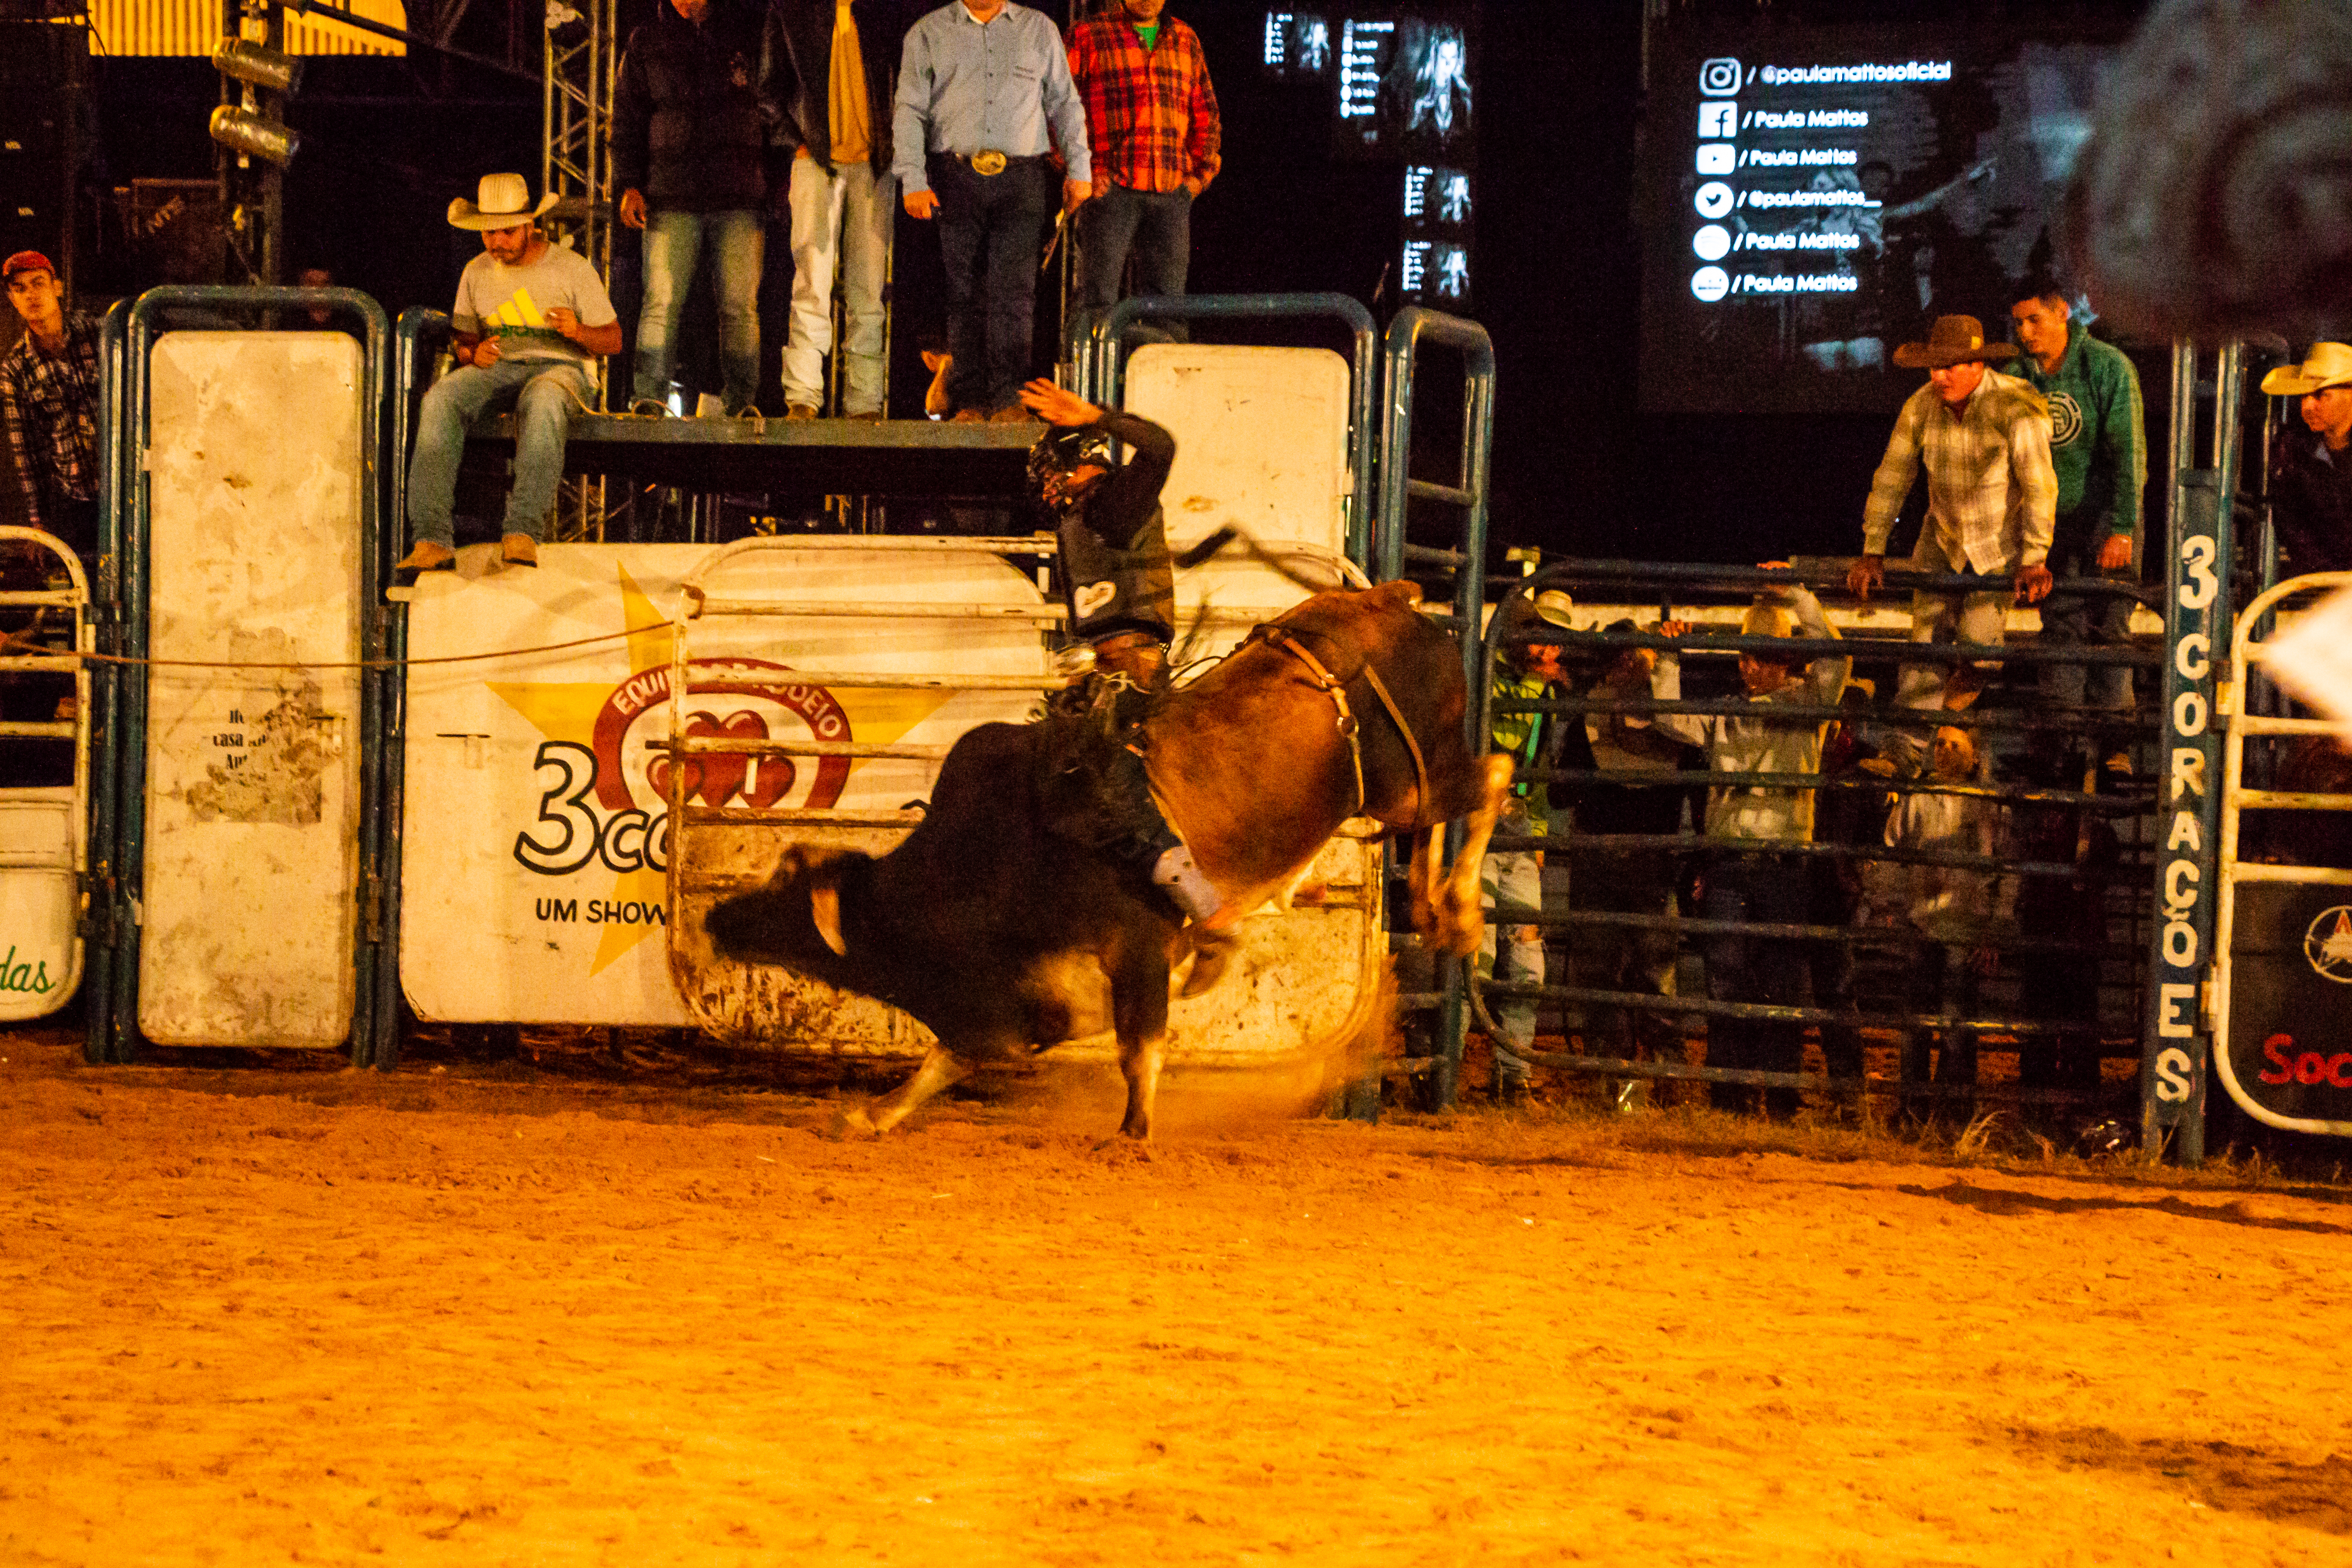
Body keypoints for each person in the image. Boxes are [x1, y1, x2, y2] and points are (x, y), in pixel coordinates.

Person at [1019, 374, 1237, 989]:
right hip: (1106, 671)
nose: (1049, 491)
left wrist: (1099, 416)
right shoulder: (1085, 522)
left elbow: (1161, 448)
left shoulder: (1119, 500)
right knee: (1056, 787)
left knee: (1114, 785)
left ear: (1073, 470)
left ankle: (1211, 912)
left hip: (1133, 669)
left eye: (1052, 477)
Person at [1652, 586, 1852, 1121]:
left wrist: (1801, 600)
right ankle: (1737, 1096)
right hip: (1740, 865)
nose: (1752, 669)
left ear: (1785, 661)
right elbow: (1671, 720)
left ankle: (1771, 1096)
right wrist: (1670, 657)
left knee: (1771, 982)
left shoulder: (1808, 703)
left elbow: (1837, 660)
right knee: (1731, 980)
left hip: (1775, 864)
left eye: (1763, 658)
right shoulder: (1739, 710)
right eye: (1747, 658)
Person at [1849, 314, 2058, 759]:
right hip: (1942, 536)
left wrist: (2034, 556)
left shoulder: (2018, 404)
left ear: (1978, 366)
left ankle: (1945, 714)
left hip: (1997, 543)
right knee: (1925, 643)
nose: (1940, 376)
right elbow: (1892, 478)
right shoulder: (1921, 406)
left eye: (1952, 366)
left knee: (1980, 651)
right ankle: (1907, 748)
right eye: (1935, 367)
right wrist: (1873, 549)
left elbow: (2040, 484)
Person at [397, 175, 622, 576]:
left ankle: (522, 531)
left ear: (530, 226)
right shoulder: (476, 270)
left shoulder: (572, 268)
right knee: (439, 400)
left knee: (546, 400)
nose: (497, 242)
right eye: (489, 233)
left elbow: (614, 341)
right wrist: (469, 352)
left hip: (562, 367)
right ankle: (432, 540)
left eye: (507, 232)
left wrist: (578, 332)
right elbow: (464, 339)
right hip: (498, 367)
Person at [893, 0, 1090, 423]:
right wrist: (913, 179)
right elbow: (909, 110)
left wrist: (1080, 168)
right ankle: (968, 402)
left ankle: (1007, 401)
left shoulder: (1038, 29)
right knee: (961, 291)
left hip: (1022, 176)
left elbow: (1065, 104)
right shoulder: (927, 32)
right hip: (954, 174)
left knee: (1015, 294)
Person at [613, 0, 782, 418]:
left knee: (740, 307)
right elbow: (627, 120)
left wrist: (777, 183)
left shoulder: (748, 33)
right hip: (670, 195)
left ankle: (742, 405)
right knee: (662, 303)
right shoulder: (645, 41)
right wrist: (629, 185)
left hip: (740, 192)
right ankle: (648, 402)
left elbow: (775, 108)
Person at [2003, 284, 2147, 775]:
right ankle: (2060, 741)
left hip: (2107, 513)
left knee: (2111, 624)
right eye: (2018, 323)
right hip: (2051, 518)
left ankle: (2114, 747)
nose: (2024, 333)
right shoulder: (2017, 376)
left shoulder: (2108, 367)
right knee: (2060, 623)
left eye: (2033, 321)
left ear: (2062, 314)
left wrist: (2123, 527)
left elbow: (2128, 452)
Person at [1558, 619, 1692, 1109]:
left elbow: (1560, 789)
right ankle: (1662, 1081)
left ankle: (1614, 1085)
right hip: (1650, 855)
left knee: (1608, 974)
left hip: (1603, 852)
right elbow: (1693, 793)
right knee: (1651, 974)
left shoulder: (1587, 721)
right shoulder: (1676, 726)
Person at [773, 0, 913, 420]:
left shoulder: (884, 13)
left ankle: (865, 403)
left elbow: (906, 81)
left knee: (868, 291)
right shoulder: (790, 10)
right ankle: (802, 396)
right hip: (815, 158)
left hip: (874, 162)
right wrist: (793, 139)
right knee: (811, 283)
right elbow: (768, 87)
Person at [1863, 725, 2010, 1110]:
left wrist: (1993, 929)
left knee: (1951, 1026)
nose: (1943, 751)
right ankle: (1922, 1107)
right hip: (1925, 923)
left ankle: (1946, 1108)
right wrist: (1890, 906)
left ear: (1975, 756)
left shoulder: (1989, 804)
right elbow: (1893, 854)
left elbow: (2005, 873)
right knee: (1925, 1024)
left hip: (1962, 927)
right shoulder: (1921, 799)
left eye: (1954, 745)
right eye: (1940, 744)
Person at [1066, 0, 1220, 341]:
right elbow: (1060, 109)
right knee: (1096, 300)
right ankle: (1082, 390)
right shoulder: (1089, 34)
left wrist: (1197, 179)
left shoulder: (1185, 37)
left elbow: (1205, 111)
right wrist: (1080, 171)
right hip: (1110, 188)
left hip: (1170, 189)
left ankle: (1161, 390)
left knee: (1167, 305)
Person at [1479, 588, 1574, 1102]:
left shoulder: (1547, 695)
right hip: (1474, 828)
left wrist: (1537, 835)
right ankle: (1438, 1065)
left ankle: (1511, 1077)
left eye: (1555, 642)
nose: (1548, 652)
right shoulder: (1488, 676)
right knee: (1475, 953)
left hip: (1516, 829)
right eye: (1539, 639)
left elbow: (1537, 774)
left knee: (1526, 962)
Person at [0, 251, 102, 564]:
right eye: (20, 288)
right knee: (89, 589)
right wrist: (38, 523)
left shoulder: (99, 333)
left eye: (38, 283)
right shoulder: (15, 369)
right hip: (78, 499)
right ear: (12, 299)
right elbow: (27, 452)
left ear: (57, 287)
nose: (31, 294)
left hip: (131, 483)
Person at [2260, 341, 2352, 578]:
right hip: (2326, 584)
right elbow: (2291, 524)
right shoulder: (2293, 451)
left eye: (2322, 395)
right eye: (2304, 396)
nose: (2308, 406)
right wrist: (2324, 577)